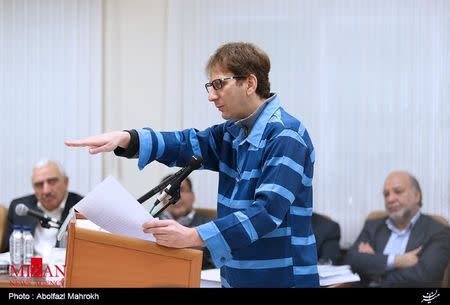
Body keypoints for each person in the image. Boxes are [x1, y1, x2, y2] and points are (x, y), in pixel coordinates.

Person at [65, 42, 319, 287]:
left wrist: (193, 236)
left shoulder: (286, 136)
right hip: (237, 278)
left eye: (219, 84)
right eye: (209, 86)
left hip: (283, 280)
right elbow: (185, 144)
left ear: (250, 83)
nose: (211, 96)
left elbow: (266, 212)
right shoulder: (233, 134)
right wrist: (128, 138)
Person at [344, 171, 450, 287]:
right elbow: (350, 260)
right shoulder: (373, 225)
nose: (390, 199)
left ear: (416, 195)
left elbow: (425, 276)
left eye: (398, 191)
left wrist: (375, 269)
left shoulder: (438, 230)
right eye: (386, 194)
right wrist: (397, 260)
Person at [1, 160, 83, 258]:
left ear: (65, 182)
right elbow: (7, 253)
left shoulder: (82, 208)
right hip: (28, 270)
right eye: (39, 185)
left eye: (52, 182)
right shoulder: (20, 207)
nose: (46, 190)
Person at [157, 175, 215, 270]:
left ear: (193, 196)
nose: (176, 196)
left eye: (182, 190)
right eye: (169, 192)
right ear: (161, 199)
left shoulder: (211, 225)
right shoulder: (150, 224)